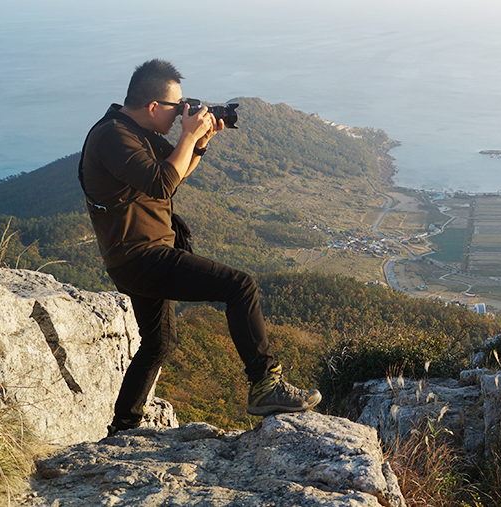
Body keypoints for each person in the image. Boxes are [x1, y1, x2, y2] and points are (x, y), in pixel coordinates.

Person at [79, 59, 320, 435]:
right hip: (141, 256)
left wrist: (200, 143)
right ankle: (265, 384)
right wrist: (187, 137)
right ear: (153, 107)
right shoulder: (113, 136)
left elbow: (171, 179)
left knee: (159, 342)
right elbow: (161, 183)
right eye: (176, 108)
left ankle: (123, 427)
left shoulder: (133, 130)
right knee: (239, 286)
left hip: (137, 256)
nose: (180, 116)